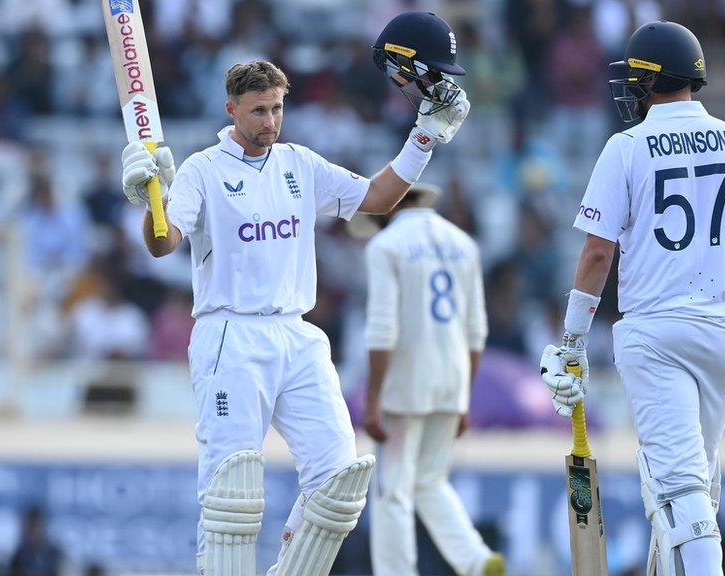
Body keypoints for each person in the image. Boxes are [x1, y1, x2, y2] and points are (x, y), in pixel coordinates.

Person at [118, 11, 470, 576]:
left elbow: (377, 198)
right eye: (259, 110)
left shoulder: (299, 164)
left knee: (338, 483)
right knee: (232, 496)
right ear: (231, 109)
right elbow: (164, 243)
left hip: (296, 334)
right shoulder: (202, 171)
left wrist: (423, 137)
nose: (270, 121)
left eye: (278, 108)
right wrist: (148, 196)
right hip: (230, 335)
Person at [539, 21, 725, 576]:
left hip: (655, 334)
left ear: (649, 79)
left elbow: (598, 254)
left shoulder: (625, 148)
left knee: (682, 489)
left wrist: (571, 341)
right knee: (686, 481)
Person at [361, 183, 504, 576]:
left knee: (393, 491)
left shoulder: (385, 246)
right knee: (429, 481)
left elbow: (381, 329)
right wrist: (464, 398)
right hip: (452, 379)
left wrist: (373, 399)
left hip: (405, 382)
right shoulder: (464, 244)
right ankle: (478, 561)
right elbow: (477, 330)